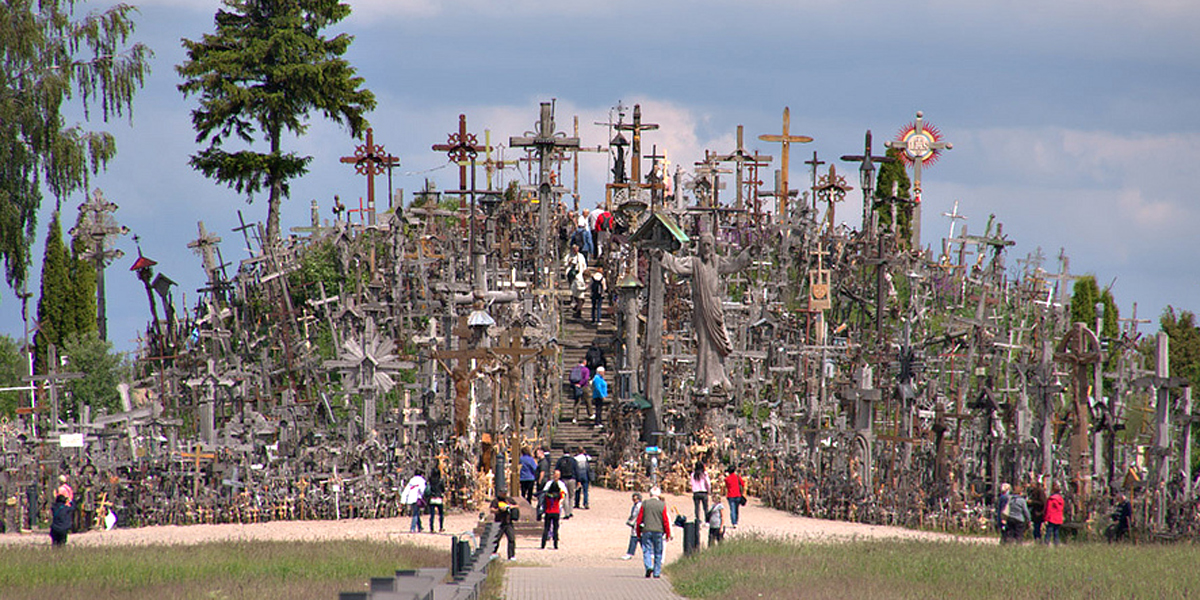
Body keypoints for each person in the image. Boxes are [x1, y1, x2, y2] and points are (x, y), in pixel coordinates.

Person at [658, 231, 753, 394]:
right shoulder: (694, 263)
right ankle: (703, 379)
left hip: (714, 308)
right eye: (704, 245)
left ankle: (720, 377)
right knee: (703, 342)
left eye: (709, 245)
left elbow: (734, 264)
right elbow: (677, 264)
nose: (707, 248)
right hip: (701, 307)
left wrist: (749, 253)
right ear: (700, 247)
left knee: (717, 343)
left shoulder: (717, 262)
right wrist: (662, 256)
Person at [636, 486, 672, 578]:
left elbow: (639, 519)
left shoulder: (645, 504)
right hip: (659, 530)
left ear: (650, 494)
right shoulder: (662, 505)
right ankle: (656, 572)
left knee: (646, 550)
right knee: (658, 551)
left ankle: (648, 566)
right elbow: (665, 520)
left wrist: (638, 532)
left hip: (646, 530)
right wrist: (668, 533)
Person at [541, 469, 568, 549]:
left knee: (547, 527)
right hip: (555, 510)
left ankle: (543, 543)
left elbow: (544, 495)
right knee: (554, 527)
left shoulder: (548, 495)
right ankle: (555, 543)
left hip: (549, 510)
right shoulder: (557, 493)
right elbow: (562, 494)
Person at [562, 244, 588, 319]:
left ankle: (576, 305)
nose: (575, 250)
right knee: (572, 287)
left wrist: (584, 271)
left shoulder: (581, 256)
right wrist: (568, 263)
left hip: (579, 274)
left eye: (577, 249)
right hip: (571, 273)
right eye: (574, 249)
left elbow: (584, 264)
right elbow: (565, 263)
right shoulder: (569, 256)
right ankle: (572, 300)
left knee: (578, 290)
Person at [490, 494, 518, 561]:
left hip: (508, 523)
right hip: (499, 522)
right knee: (496, 539)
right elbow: (491, 509)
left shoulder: (509, 499)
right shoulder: (496, 501)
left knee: (511, 539)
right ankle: (493, 553)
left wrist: (510, 507)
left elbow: (517, 505)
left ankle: (511, 556)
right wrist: (499, 510)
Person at [554, 451, 578, 519]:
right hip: (572, 479)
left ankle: (566, 512)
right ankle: (570, 511)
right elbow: (576, 470)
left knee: (564, 496)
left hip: (563, 479)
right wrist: (578, 480)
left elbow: (557, 470)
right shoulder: (573, 460)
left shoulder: (560, 460)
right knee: (571, 496)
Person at [568, 358, 591, 424]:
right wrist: (580, 384)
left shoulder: (574, 369)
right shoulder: (586, 369)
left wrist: (574, 384)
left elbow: (570, 378)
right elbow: (586, 378)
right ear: (584, 362)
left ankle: (575, 417)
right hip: (584, 386)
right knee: (588, 400)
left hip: (576, 387)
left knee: (577, 401)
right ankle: (590, 414)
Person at [622, 492, 643, 560]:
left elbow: (634, 515)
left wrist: (630, 521)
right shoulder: (637, 505)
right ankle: (649, 553)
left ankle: (629, 554)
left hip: (637, 525)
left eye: (635, 499)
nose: (634, 500)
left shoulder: (638, 506)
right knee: (641, 540)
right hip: (638, 525)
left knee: (635, 539)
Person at [426, 467, 446, 532]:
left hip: (432, 498)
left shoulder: (430, 481)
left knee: (432, 515)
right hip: (438, 498)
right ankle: (441, 527)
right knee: (441, 514)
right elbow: (443, 489)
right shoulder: (440, 480)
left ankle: (432, 528)